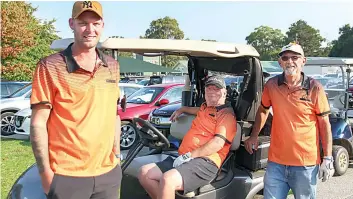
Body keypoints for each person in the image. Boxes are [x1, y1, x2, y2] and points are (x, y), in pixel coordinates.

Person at [30, 1, 122, 199]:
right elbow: (38, 123)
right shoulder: (50, 66)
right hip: (67, 177)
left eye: (95, 23)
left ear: (102, 25)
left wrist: (117, 154)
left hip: (107, 174)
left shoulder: (113, 66)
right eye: (83, 23)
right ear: (71, 23)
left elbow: (113, 115)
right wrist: (45, 174)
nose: (90, 29)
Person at [244, 42, 334, 199]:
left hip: (305, 164)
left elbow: (324, 124)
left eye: (295, 57)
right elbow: (263, 110)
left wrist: (327, 157)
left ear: (303, 61)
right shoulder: (271, 85)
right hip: (276, 164)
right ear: (280, 62)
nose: (290, 61)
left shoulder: (315, 88)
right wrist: (254, 135)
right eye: (285, 58)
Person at [138, 75, 237, 199]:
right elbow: (193, 110)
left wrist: (189, 155)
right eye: (209, 88)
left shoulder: (226, 115)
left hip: (206, 162)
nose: (212, 92)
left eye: (216, 89)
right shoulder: (205, 107)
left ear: (224, 92)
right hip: (186, 158)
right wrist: (182, 109)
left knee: (168, 180)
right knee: (145, 173)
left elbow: (217, 143)